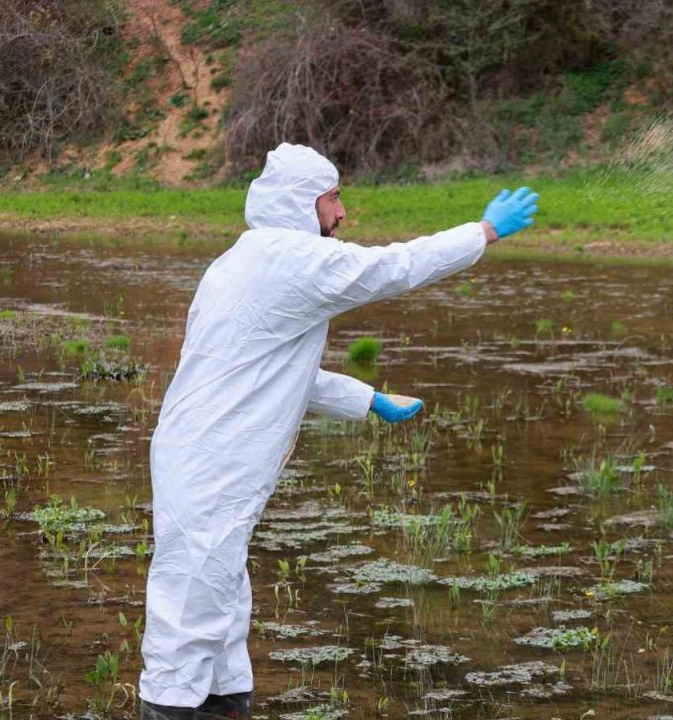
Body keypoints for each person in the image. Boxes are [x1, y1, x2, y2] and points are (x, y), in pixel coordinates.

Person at [138, 143, 538, 719]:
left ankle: (225, 704)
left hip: (202, 453)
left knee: (220, 600)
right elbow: (390, 268)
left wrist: (369, 399)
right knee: (190, 607)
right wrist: (482, 232)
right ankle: (171, 708)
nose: (342, 213)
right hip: (212, 460)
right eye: (333, 198)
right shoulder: (290, 258)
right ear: (303, 204)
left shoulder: (243, 259)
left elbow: (273, 367)